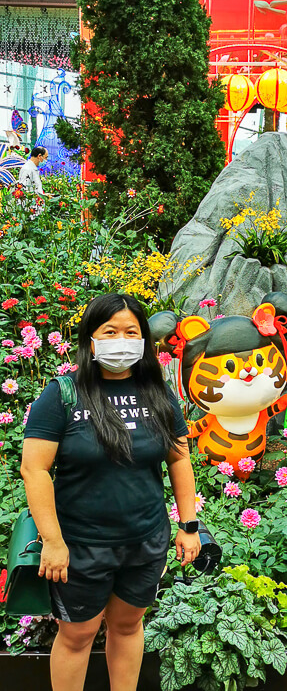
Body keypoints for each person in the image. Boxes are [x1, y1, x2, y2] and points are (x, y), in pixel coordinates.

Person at [21, 293, 201, 691]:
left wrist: (189, 525)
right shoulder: (63, 395)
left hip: (144, 541)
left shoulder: (157, 394)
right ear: (91, 338)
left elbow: (179, 459)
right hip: (81, 546)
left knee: (128, 625)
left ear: (144, 341)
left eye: (131, 331)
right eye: (110, 331)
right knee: (77, 635)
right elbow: (34, 469)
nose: (121, 339)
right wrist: (52, 540)